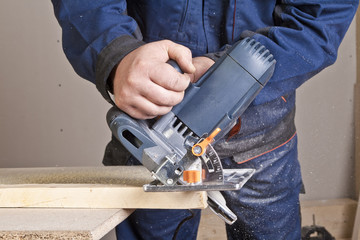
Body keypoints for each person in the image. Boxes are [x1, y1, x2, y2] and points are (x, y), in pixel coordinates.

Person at [51, 1, 358, 239]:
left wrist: (229, 72)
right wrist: (116, 55)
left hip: (260, 121)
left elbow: (322, 14)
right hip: (155, 117)